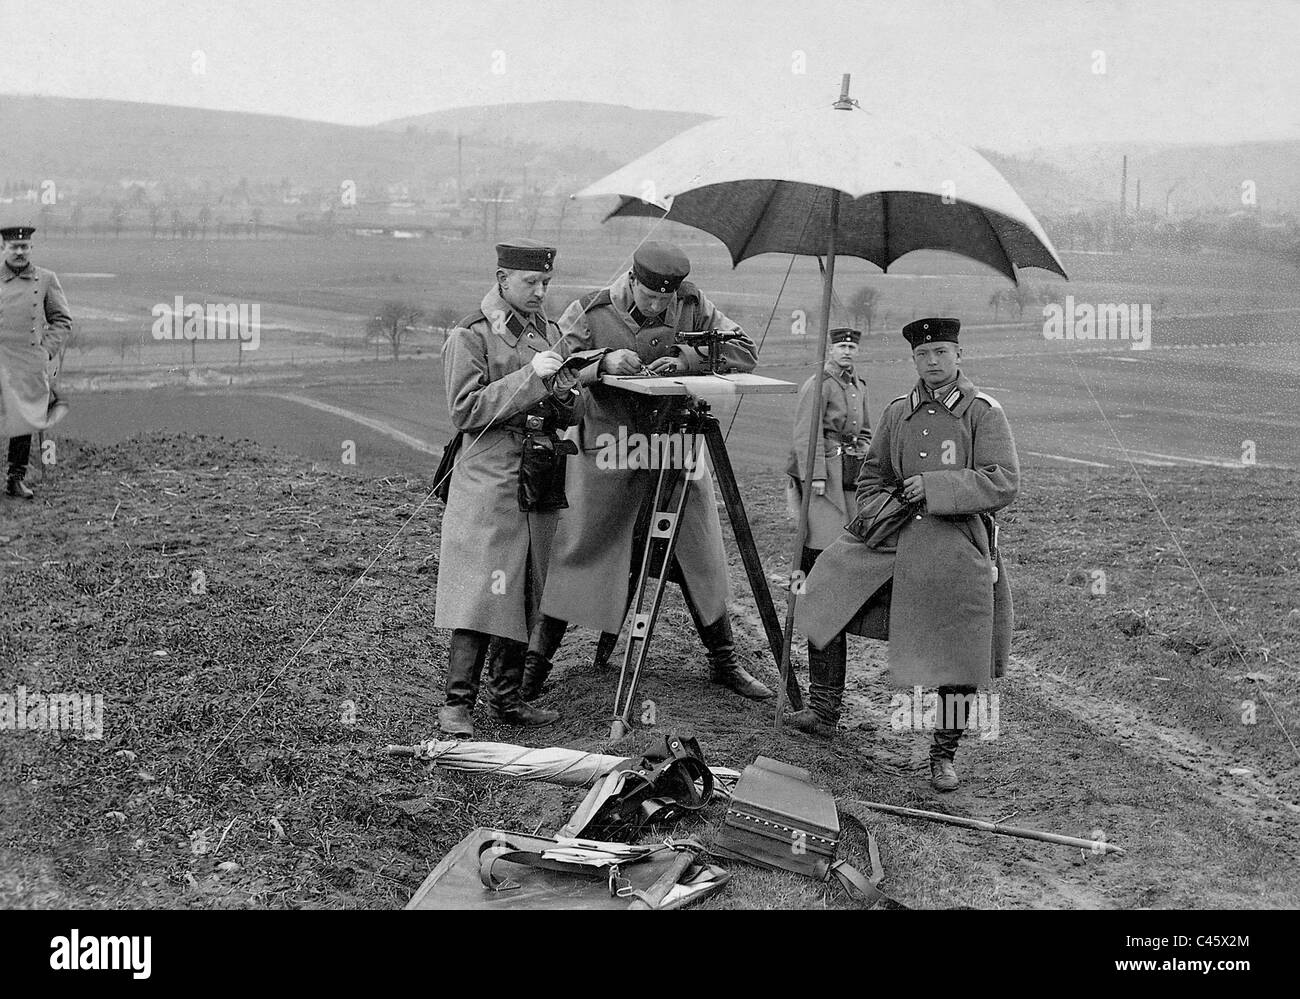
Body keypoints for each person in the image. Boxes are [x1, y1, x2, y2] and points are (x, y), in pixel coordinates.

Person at [522, 241, 774, 703]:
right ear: (632, 280)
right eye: (651, 297)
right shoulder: (591, 310)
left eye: (666, 300)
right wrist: (602, 363)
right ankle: (535, 671)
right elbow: (555, 370)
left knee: (699, 550)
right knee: (583, 549)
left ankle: (725, 662)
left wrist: (686, 359)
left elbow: (745, 351)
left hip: (674, 446)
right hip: (611, 451)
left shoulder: (695, 306)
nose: (659, 306)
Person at [793, 318, 1019, 791]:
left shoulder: (983, 412)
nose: (932, 362)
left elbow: (1002, 481)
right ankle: (823, 708)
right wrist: (884, 507)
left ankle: (943, 753)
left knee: (961, 642)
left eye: (941, 352)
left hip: (955, 539)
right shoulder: (899, 412)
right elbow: (872, 478)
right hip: (893, 535)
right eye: (923, 354)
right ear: (913, 359)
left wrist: (936, 487)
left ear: (959, 356)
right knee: (824, 585)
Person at [433, 239, 585, 738]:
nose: (541, 292)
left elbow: (571, 413)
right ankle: (457, 704)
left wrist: (566, 389)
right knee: (483, 584)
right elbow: (465, 411)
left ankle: (508, 697)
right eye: (531, 283)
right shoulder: (470, 333)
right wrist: (530, 377)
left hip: (539, 468)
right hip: (490, 473)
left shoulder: (549, 333)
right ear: (502, 278)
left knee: (529, 584)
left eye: (546, 283)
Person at [782, 326, 871, 735]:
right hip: (821, 480)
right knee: (818, 552)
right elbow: (806, 433)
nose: (847, 351)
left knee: (841, 551)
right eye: (841, 345)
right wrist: (814, 474)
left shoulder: (858, 386)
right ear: (829, 348)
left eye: (853, 345)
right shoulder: (818, 384)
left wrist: (863, 453)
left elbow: (866, 430)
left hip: (848, 477)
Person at [1, 225, 71, 499]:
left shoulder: (45, 279)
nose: (20, 251)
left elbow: (62, 320)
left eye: (24, 247)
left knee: (24, 420)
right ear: (3, 248)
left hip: (27, 363)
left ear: (31, 248)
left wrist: (45, 351)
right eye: (14, 247)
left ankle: (15, 479)